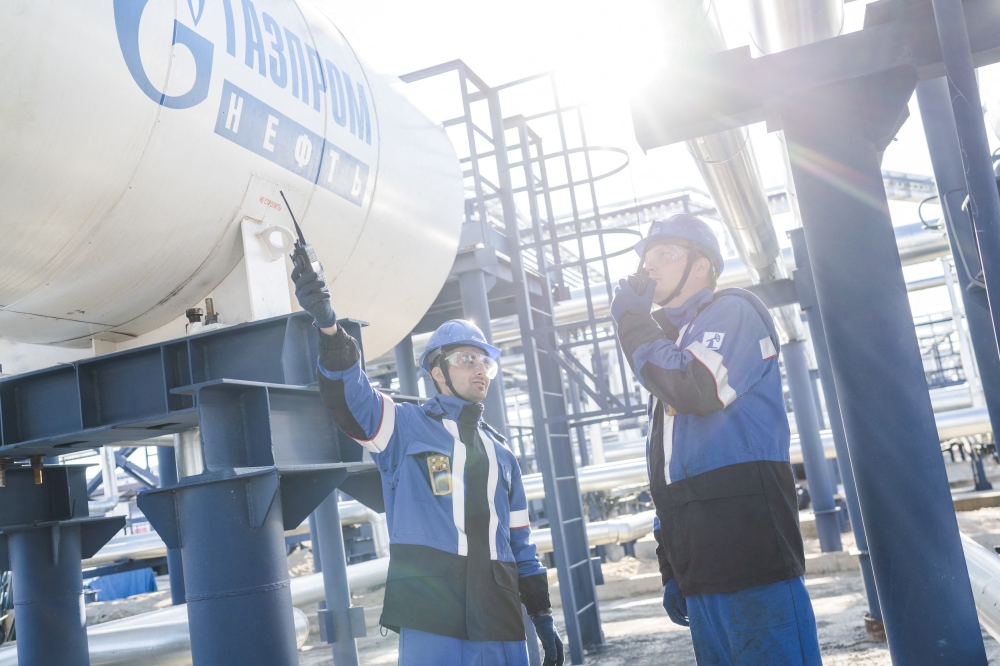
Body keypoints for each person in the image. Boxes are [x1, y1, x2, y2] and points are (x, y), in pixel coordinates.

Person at [291, 254, 564, 666]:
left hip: (499, 610)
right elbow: (351, 399)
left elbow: (520, 542)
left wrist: (542, 615)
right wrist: (330, 328)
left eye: (485, 361)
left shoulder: (502, 455)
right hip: (432, 609)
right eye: (466, 360)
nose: (480, 370)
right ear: (438, 372)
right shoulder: (403, 428)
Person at [610, 214, 822, 665]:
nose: (650, 267)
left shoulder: (733, 311)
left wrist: (633, 322)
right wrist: (672, 565)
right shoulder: (672, 344)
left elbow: (698, 388)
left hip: (748, 540)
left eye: (665, 254)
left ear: (702, 265)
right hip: (699, 556)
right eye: (646, 257)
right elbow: (664, 467)